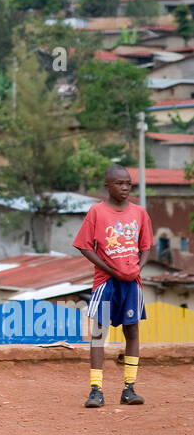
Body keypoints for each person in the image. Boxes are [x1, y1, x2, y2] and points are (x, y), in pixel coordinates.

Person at [73, 166, 153, 408]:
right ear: (108, 186)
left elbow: (146, 247)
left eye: (128, 183)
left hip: (131, 284)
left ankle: (129, 388)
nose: (125, 187)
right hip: (105, 283)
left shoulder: (139, 213)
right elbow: (84, 245)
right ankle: (96, 390)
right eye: (119, 183)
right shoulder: (97, 212)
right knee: (99, 333)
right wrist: (110, 269)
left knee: (132, 332)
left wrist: (138, 267)